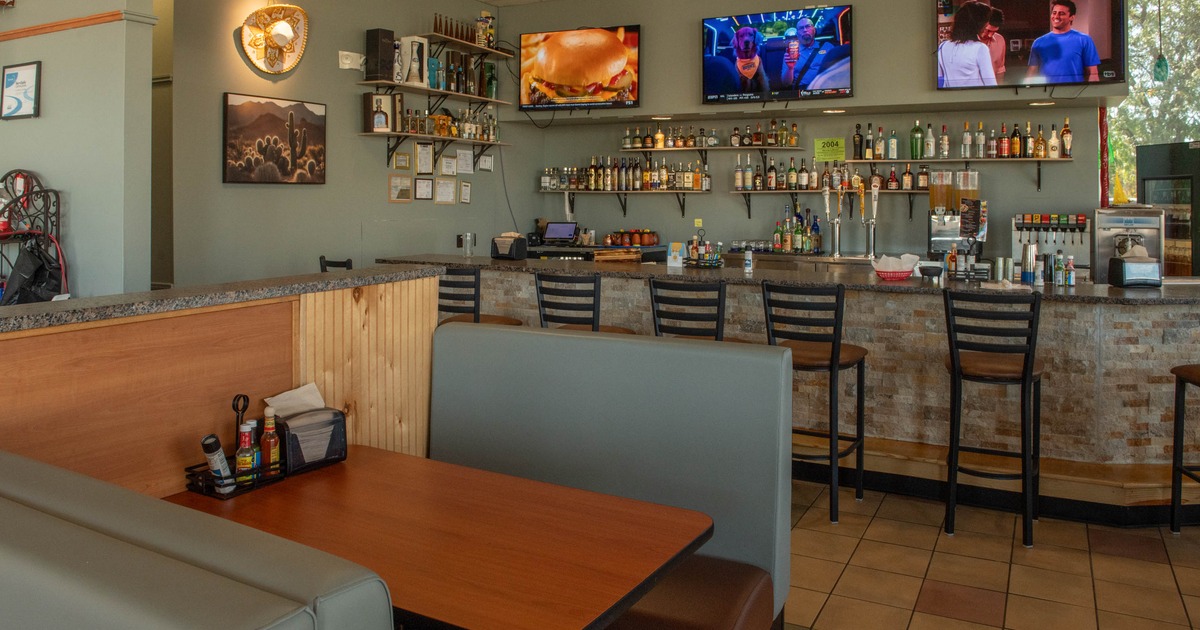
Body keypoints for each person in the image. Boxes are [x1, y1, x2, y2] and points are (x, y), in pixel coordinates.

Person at [1027, 0, 1100, 83]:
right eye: (1054, 13)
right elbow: (1031, 74)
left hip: (1075, 90)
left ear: (1072, 17)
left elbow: (1093, 73)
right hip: (1046, 90)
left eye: (1061, 13)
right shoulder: (1038, 42)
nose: (1056, 16)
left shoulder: (1084, 40)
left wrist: (1094, 90)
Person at [937, 1, 996, 88]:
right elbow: (991, 85)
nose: (987, 24)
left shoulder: (943, 47)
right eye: (985, 21)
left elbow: (940, 79)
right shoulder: (980, 49)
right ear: (977, 24)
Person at [781, 17, 831, 89]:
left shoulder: (827, 46)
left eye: (808, 26)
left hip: (825, 88)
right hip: (802, 90)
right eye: (801, 28)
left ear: (814, 30)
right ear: (797, 34)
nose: (805, 30)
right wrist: (790, 68)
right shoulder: (791, 52)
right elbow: (786, 83)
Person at [980, 7, 1006, 83]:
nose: (990, 35)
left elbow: (1000, 69)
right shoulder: (969, 42)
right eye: (988, 31)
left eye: (994, 32)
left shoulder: (1000, 40)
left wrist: (999, 89)